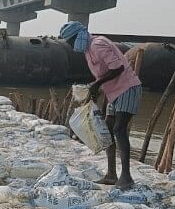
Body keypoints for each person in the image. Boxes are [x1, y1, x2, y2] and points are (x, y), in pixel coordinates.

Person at [60, 21, 142, 190]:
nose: (71, 45)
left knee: (119, 129)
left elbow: (117, 68)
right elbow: (103, 74)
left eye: (71, 41)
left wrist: (96, 84)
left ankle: (126, 176)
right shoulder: (88, 51)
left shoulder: (97, 45)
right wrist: (96, 88)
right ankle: (112, 174)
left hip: (127, 88)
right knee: (107, 130)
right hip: (113, 92)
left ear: (78, 36)